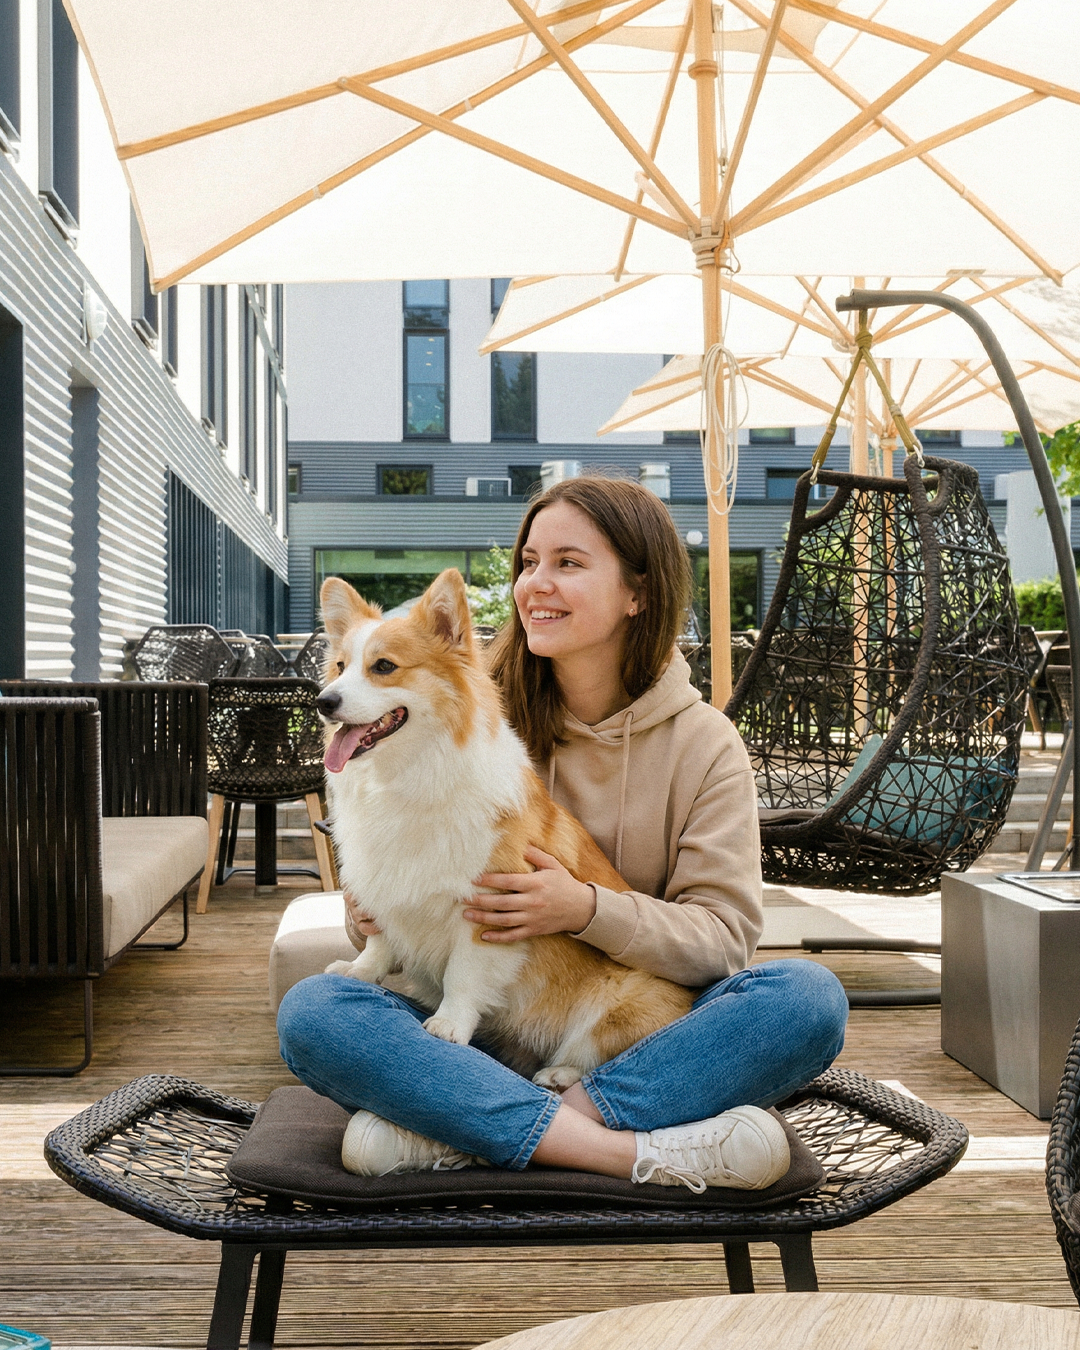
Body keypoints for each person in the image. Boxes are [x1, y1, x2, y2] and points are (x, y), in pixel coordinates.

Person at [277, 475, 848, 1192]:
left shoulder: (705, 744)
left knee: (805, 999)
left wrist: (582, 909)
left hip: (623, 1025)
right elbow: (399, 917)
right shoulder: (455, 708)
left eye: (568, 564)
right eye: (528, 562)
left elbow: (724, 939)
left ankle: (474, 1132)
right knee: (315, 1013)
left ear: (638, 592)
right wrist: (367, 918)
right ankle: (620, 1149)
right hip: (471, 1026)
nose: (534, 584)